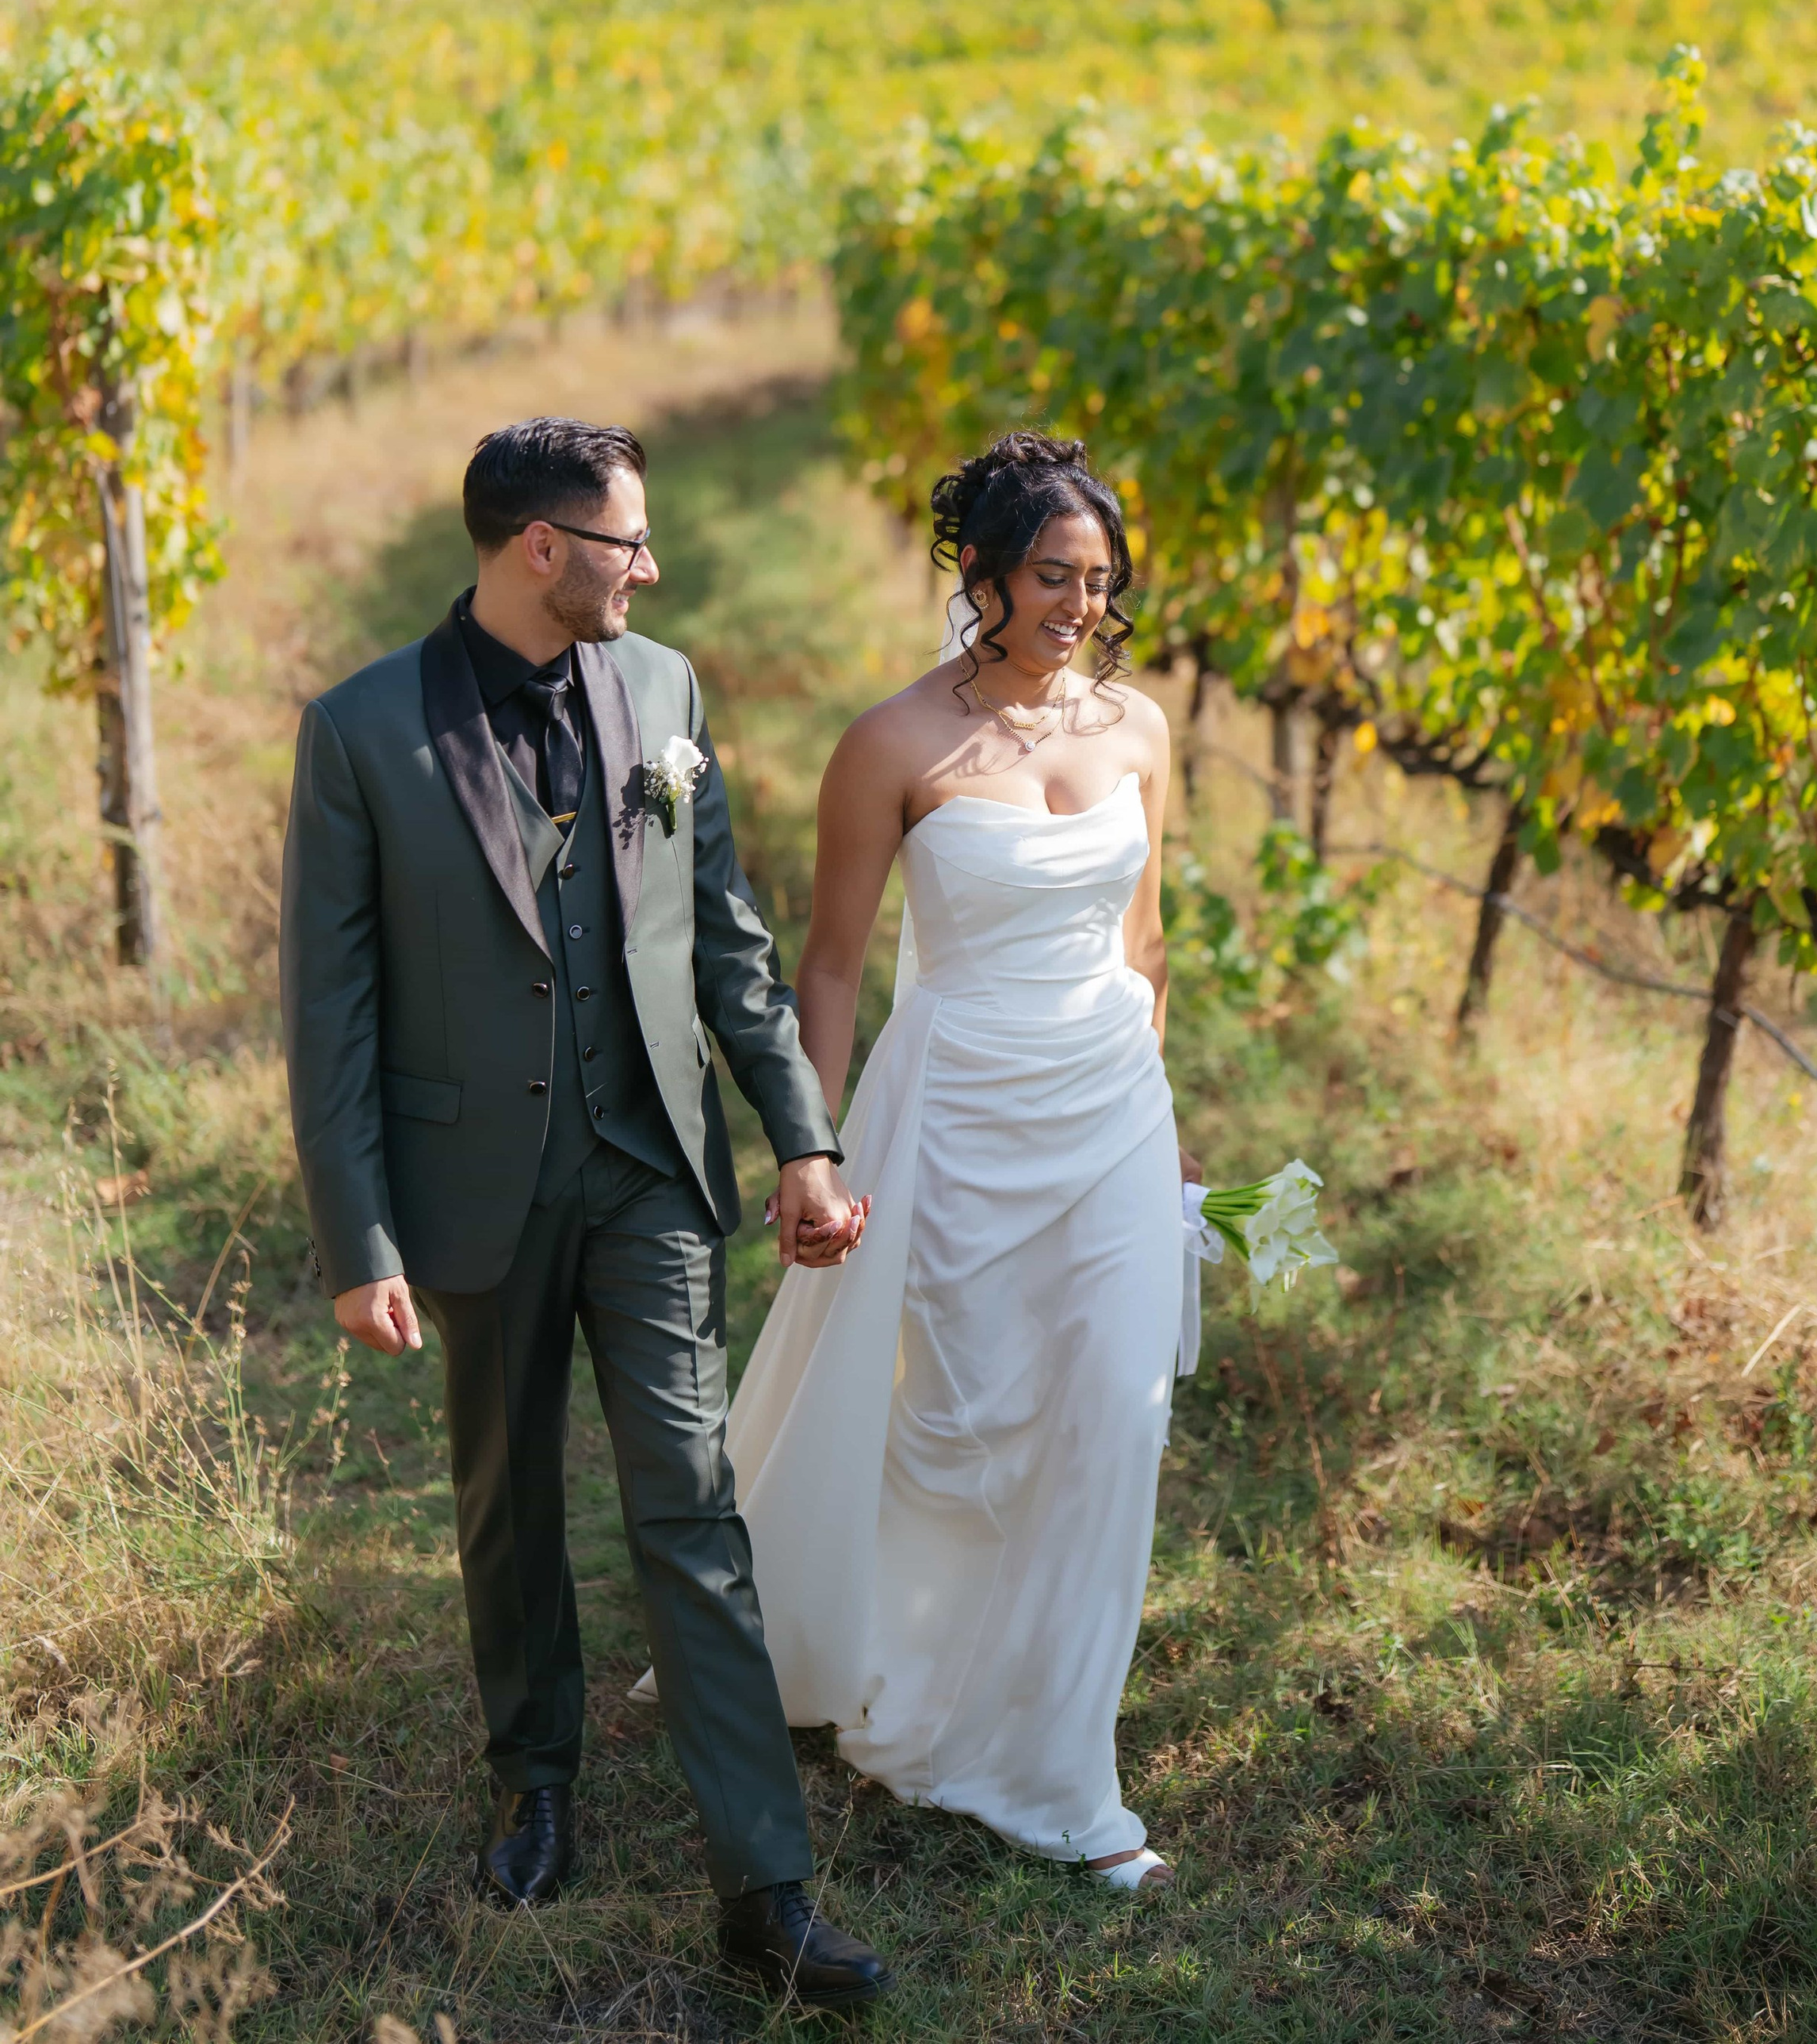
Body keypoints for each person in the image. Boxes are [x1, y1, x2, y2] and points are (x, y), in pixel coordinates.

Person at [278, 416, 893, 2011]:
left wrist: (801, 1137)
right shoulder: (358, 733)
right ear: (538, 546)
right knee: (508, 1498)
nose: (652, 565)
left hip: (645, 1165)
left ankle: (762, 1884)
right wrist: (361, 1241)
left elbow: (728, 938)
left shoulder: (663, 690)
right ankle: (532, 1775)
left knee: (689, 1501)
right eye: (626, 540)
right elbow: (328, 1011)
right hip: (469, 1181)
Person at [679, 428, 1185, 1889]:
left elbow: (1148, 946)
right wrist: (812, 1152)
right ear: (983, 573)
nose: (1079, 605)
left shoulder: (1141, 728)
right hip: (957, 1110)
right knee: (967, 1419)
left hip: (1109, 1113)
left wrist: (1168, 1140)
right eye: (1050, 574)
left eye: (1099, 580)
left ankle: (1060, 1776)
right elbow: (829, 968)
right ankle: (917, 1677)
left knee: (1118, 1414)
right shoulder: (892, 744)